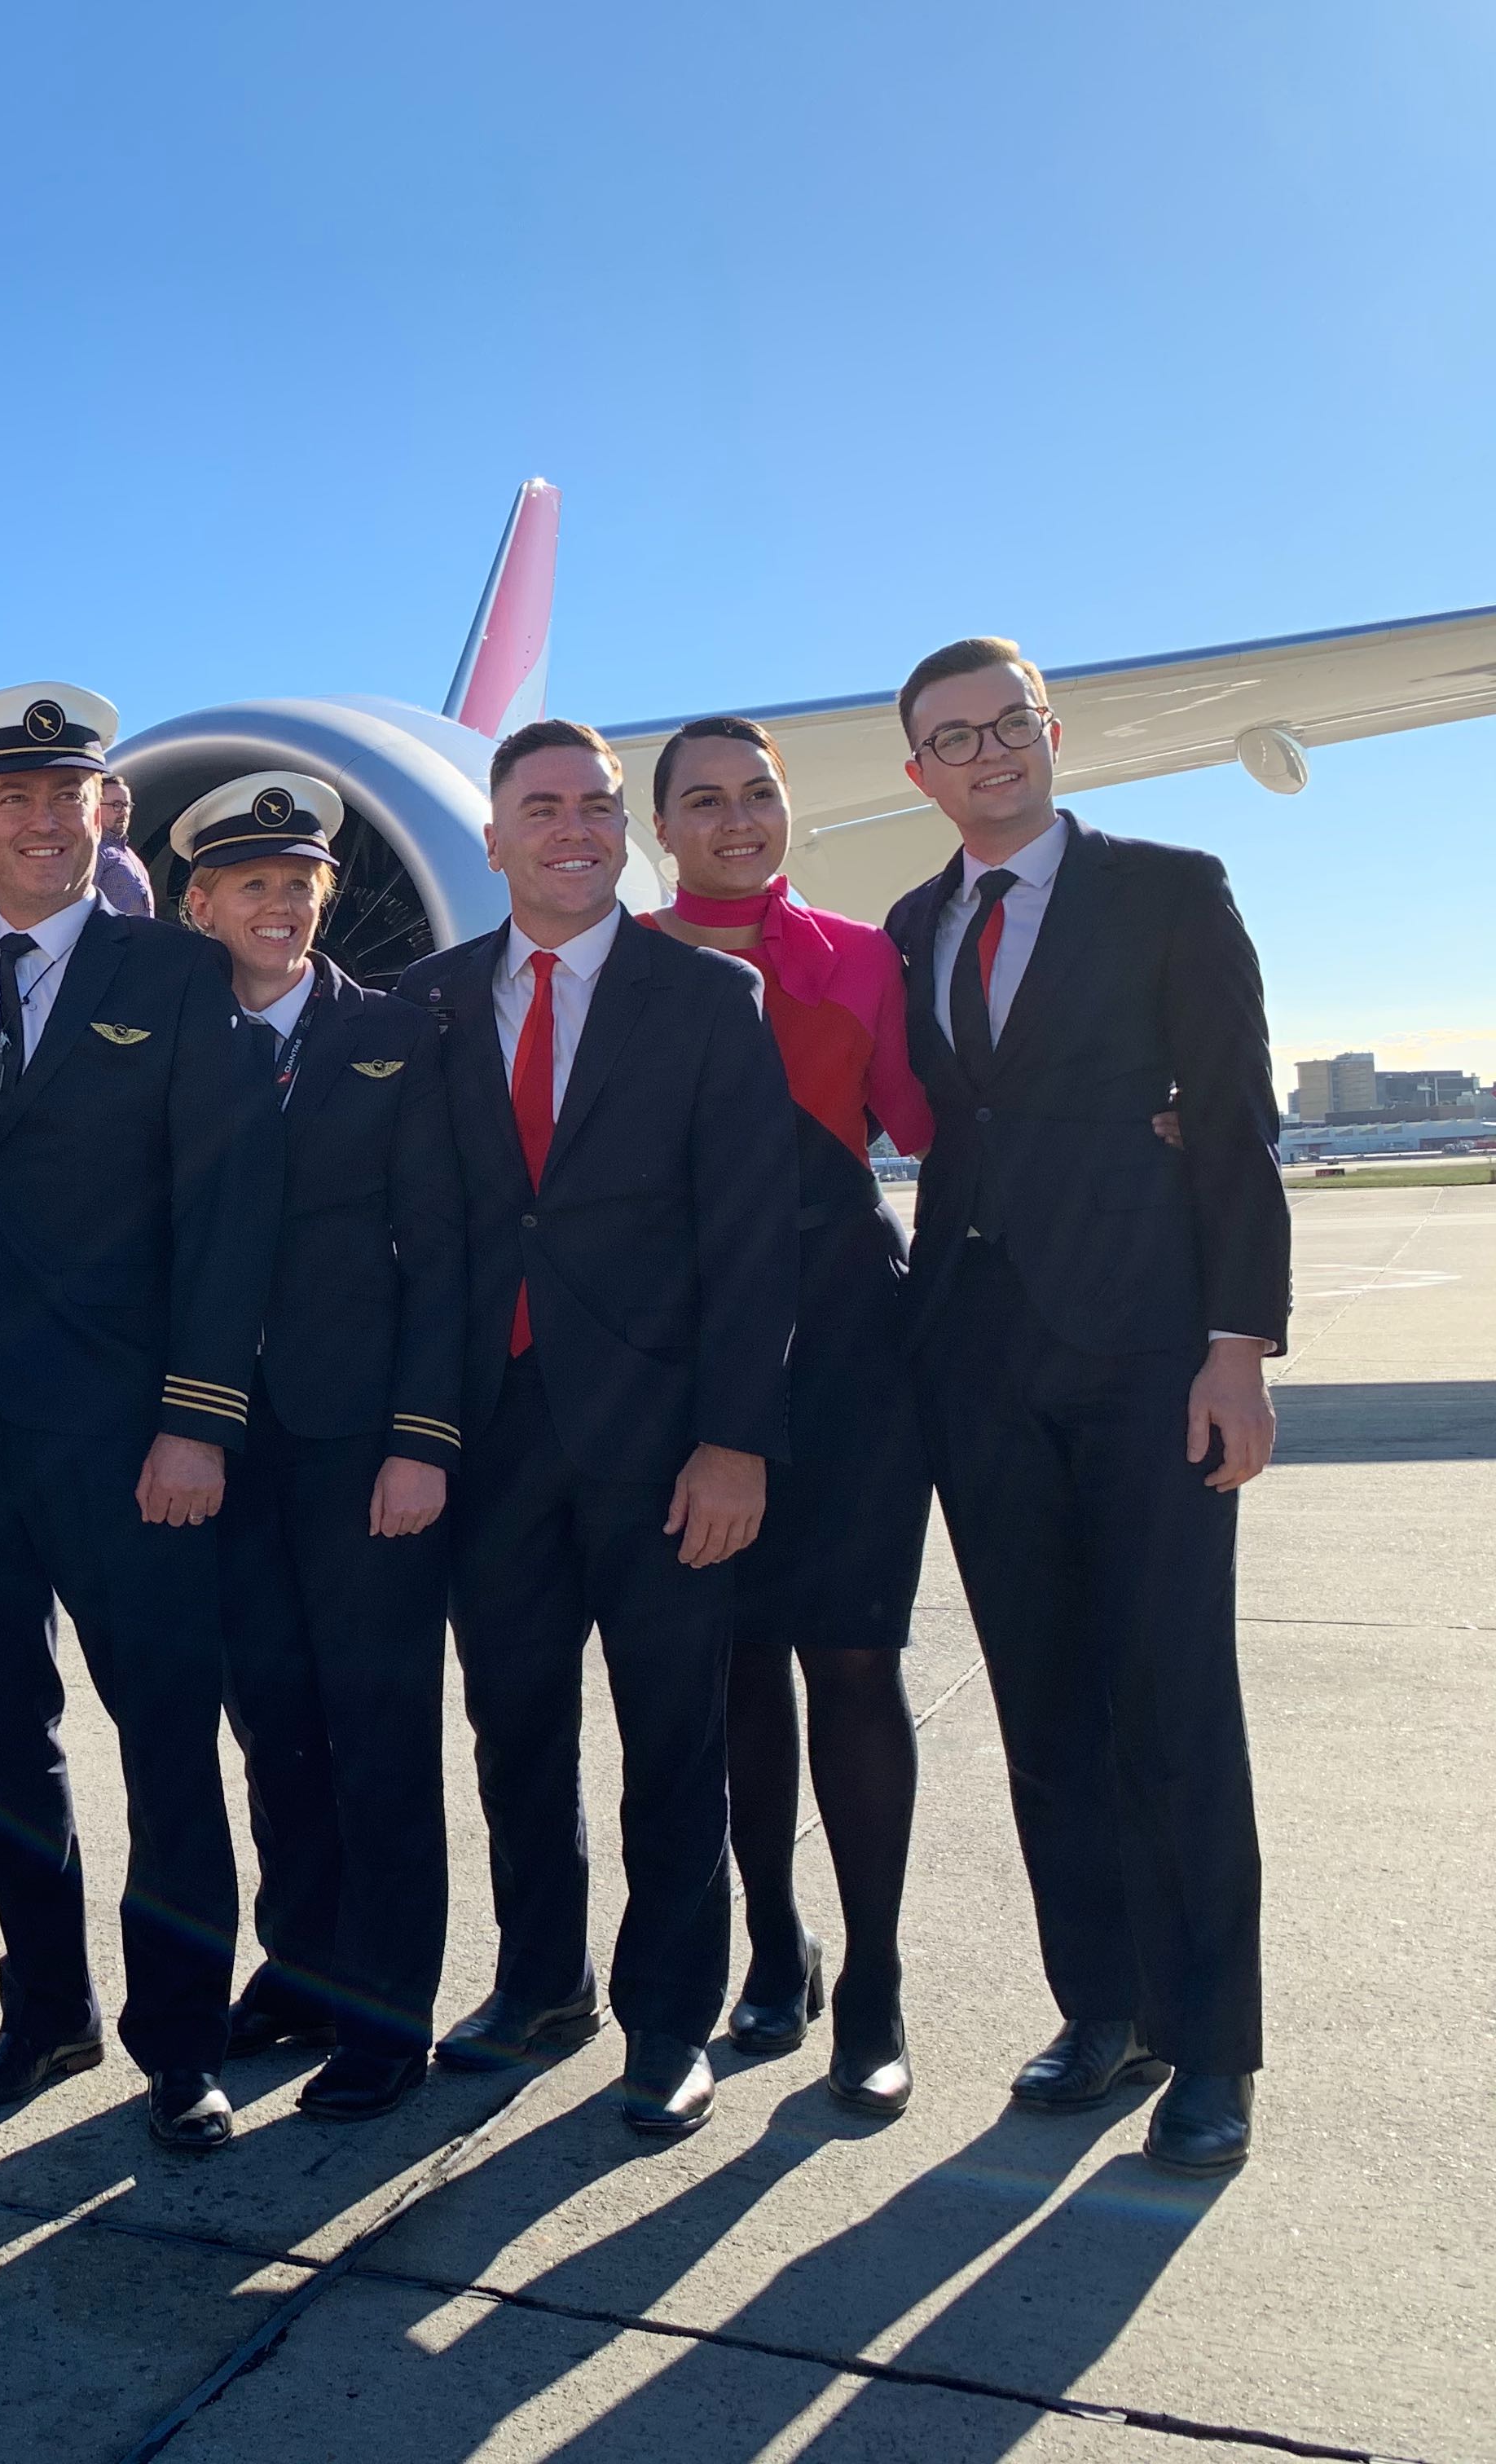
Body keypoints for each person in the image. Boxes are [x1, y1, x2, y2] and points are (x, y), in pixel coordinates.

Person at [882, 637, 1285, 2175]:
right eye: (950, 738)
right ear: (916, 771)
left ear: (1050, 734)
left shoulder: (1168, 887)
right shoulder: (915, 921)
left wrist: (1234, 1346)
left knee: (1175, 1701)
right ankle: (1100, 2005)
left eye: (1004, 726)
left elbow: (1234, 1125)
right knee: (1044, 1702)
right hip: (977, 1361)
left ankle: (1213, 2042)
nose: (982, 753)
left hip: (1145, 1354)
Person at [0, 683, 280, 2152]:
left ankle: (180, 2039)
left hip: (130, 1434)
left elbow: (228, 1209)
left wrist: (197, 1418)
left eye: (68, 795)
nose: (42, 822)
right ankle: (43, 2008)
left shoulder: (178, 973)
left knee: (168, 1737)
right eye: (13, 799)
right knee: (2, 1734)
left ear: (102, 811)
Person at [398, 717, 795, 2141]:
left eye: (595, 806)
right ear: (492, 836)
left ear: (621, 831)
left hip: (665, 1445)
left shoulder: (707, 997)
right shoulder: (427, 1001)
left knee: (672, 1736)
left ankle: (668, 2016)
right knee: (513, 1726)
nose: (571, 827)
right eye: (539, 806)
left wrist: (735, 1440)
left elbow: (756, 1242)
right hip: (489, 1433)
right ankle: (540, 1981)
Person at [640, 717, 931, 2118]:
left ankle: (871, 1976)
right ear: (663, 827)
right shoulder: (627, 961)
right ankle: (774, 1938)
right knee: (735, 1666)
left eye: (757, 794)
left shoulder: (860, 955)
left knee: (855, 1660)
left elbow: (943, 1125)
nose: (736, 818)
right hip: (691, 1347)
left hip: (850, 1342)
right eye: (703, 799)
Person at [173, 775, 464, 2123]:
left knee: (379, 1730)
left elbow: (445, 1256)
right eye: (252, 885)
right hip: (223, 1449)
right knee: (273, 1727)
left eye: (300, 885)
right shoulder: (172, 1036)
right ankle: (297, 1964)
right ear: (198, 903)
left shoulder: (398, 1034)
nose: (280, 907)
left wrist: (421, 1440)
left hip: (361, 1447)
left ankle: (387, 2011)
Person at [93, 772, 154, 918]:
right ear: (95, 807)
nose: (124, 812)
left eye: (127, 805)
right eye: (116, 805)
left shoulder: (129, 854)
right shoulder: (95, 851)